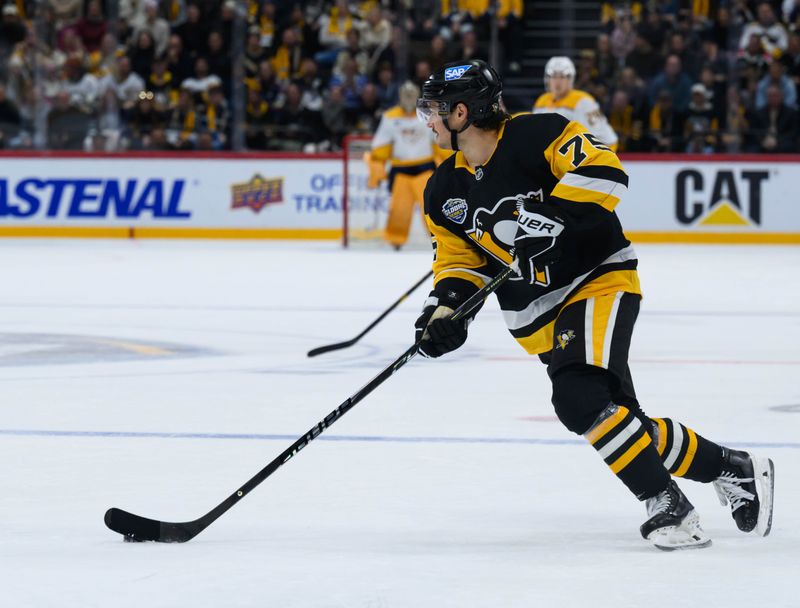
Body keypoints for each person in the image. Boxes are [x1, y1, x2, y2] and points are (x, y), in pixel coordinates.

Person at [414, 59, 775, 550]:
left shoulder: (541, 132)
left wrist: (555, 215)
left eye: (433, 111)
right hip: (537, 315)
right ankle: (732, 468)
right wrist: (444, 312)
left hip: (595, 280)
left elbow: (605, 170)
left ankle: (667, 503)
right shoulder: (443, 190)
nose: (428, 121)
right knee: (619, 419)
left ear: (461, 113)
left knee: (577, 397)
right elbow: (459, 263)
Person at [366, 81, 448, 249]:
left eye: (412, 94)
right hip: (400, 170)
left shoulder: (427, 114)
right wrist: (377, 169)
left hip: (425, 169)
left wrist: (448, 162)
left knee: (431, 208)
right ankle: (396, 240)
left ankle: (441, 239)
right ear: (400, 95)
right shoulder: (390, 116)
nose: (409, 98)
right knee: (399, 210)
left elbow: (439, 140)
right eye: (406, 94)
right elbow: (380, 147)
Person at [533, 56, 619, 150]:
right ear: (547, 79)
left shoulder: (583, 102)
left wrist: (600, 162)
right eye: (553, 76)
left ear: (571, 79)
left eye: (562, 76)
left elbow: (608, 139)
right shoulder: (541, 101)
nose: (557, 81)